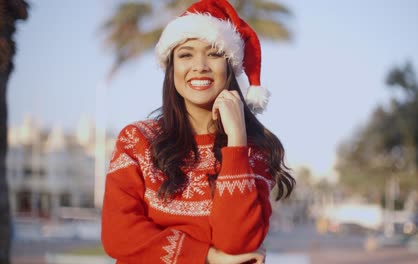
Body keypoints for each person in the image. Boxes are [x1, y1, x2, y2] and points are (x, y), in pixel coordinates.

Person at [101, 0, 295, 263]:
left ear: (229, 66)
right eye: (186, 54)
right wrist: (207, 256)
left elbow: (238, 243)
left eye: (214, 53)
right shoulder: (137, 140)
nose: (200, 65)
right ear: (172, 69)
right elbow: (118, 234)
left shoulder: (256, 148)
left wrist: (236, 142)